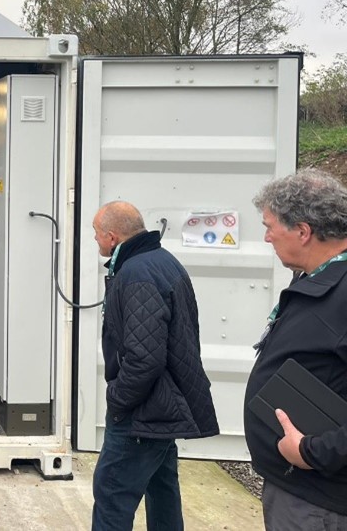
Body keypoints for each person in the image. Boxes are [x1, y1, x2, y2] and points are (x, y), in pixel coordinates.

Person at [90, 201, 218, 531]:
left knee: (112, 493)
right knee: (162, 492)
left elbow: (145, 358)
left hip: (142, 411)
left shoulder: (136, 275)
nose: (95, 241)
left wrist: (118, 400)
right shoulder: (162, 261)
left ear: (112, 236)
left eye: (96, 234)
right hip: (162, 406)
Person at [244, 168, 347, 527]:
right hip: (299, 488)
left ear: (303, 231)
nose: (267, 236)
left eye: (271, 226)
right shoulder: (316, 278)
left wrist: (311, 451)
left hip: (319, 498)